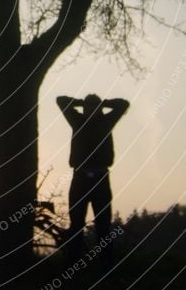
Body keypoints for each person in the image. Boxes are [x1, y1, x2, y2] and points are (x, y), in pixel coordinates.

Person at [56, 93, 130, 266]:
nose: (90, 110)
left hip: (98, 178)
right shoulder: (79, 120)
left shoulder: (102, 122)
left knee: (103, 224)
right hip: (82, 177)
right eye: (88, 107)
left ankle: (106, 264)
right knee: (77, 224)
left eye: (93, 107)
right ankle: (72, 263)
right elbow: (60, 100)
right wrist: (90, 103)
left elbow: (123, 103)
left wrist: (98, 104)